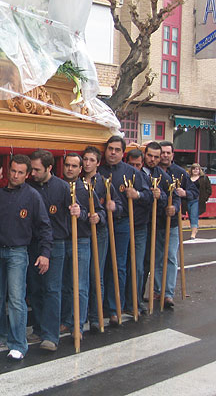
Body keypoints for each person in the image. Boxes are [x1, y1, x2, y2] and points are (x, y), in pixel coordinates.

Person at [0, 154, 52, 360]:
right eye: (12, 171)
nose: (15, 175)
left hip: (18, 252)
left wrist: (45, 253)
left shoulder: (32, 196)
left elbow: (44, 227)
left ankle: (18, 343)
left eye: (20, 172)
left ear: (27, 174)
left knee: (16, 299)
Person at [26, 150, 83, 352]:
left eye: (37, 169)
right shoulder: (29, 185)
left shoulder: (63, 188)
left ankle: (51, 335)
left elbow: (78, 211)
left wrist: (79, 211)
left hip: (56, 244)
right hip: (33, 243)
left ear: (49, 168)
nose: (32, 173)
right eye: (31, 168)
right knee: (36, 289)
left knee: (52, 289)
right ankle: (39, 328)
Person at [98, 136, 152, 325]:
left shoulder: (132, 172)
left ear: (123, 152)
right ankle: (100, 306)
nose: (112, 153)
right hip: (101, 223)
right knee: (100, 265)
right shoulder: (98, 170)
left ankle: (115, 307)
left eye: (117, 150)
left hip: (122, 223)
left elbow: (149, 195)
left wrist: (136, 194)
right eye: (110, 149)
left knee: (118, 265)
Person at [61, 153, 105, 338]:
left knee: (80, 285)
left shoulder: (86, 189)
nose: (70, 169)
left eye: (74, 166)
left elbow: (99, 213)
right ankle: (65, 320)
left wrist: (91, 215)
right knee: (63, 285)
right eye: (67, 165)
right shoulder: (58, 187)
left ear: (80, 170)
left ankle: (77, 325)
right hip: (62, 241)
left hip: (81, 240)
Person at [81, 146, 121, 332]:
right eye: (85, 159)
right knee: (81, 277)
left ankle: (96, 317)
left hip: (99, 232)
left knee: (96, 274)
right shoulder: (77, 182)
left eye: (91, 160)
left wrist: (103, 215)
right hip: (81, 232)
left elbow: (117, 206)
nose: (87, 163)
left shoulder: (104, 183)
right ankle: (80, 316)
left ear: (98, 163)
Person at [126, 143, 168, 315]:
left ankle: (136, 299)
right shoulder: (126, 174)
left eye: (156, 157)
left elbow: (166, 195)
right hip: (124, 224)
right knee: (122, 266)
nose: (153, 159)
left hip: (147, 224)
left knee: (141, 265)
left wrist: (160, 196)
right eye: (150, 155)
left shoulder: (162, 176)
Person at [157, 141, 195, 308]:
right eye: (162, 153)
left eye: (168, 153)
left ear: (172, 154)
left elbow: (194, 192)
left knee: (171, 257)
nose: (165, 155)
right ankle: (157, 290)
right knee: (156, 258)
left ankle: (168, 294)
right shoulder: (153, 171)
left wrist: (184, 193)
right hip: (154, 222)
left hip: (172, 223)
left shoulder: (180, 173)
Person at [185, 163, 211, 239]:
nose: (195, 170)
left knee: (194, 216)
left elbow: (209, 190)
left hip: (197, 200)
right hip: (188, 200)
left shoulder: (204, 179)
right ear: (191, 170)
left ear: (200, 170)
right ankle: (194, 229)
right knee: (190, 216)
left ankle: (193, 234)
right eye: (194, 169)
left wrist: (204, 198)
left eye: (197, 169)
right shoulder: (187, 178)